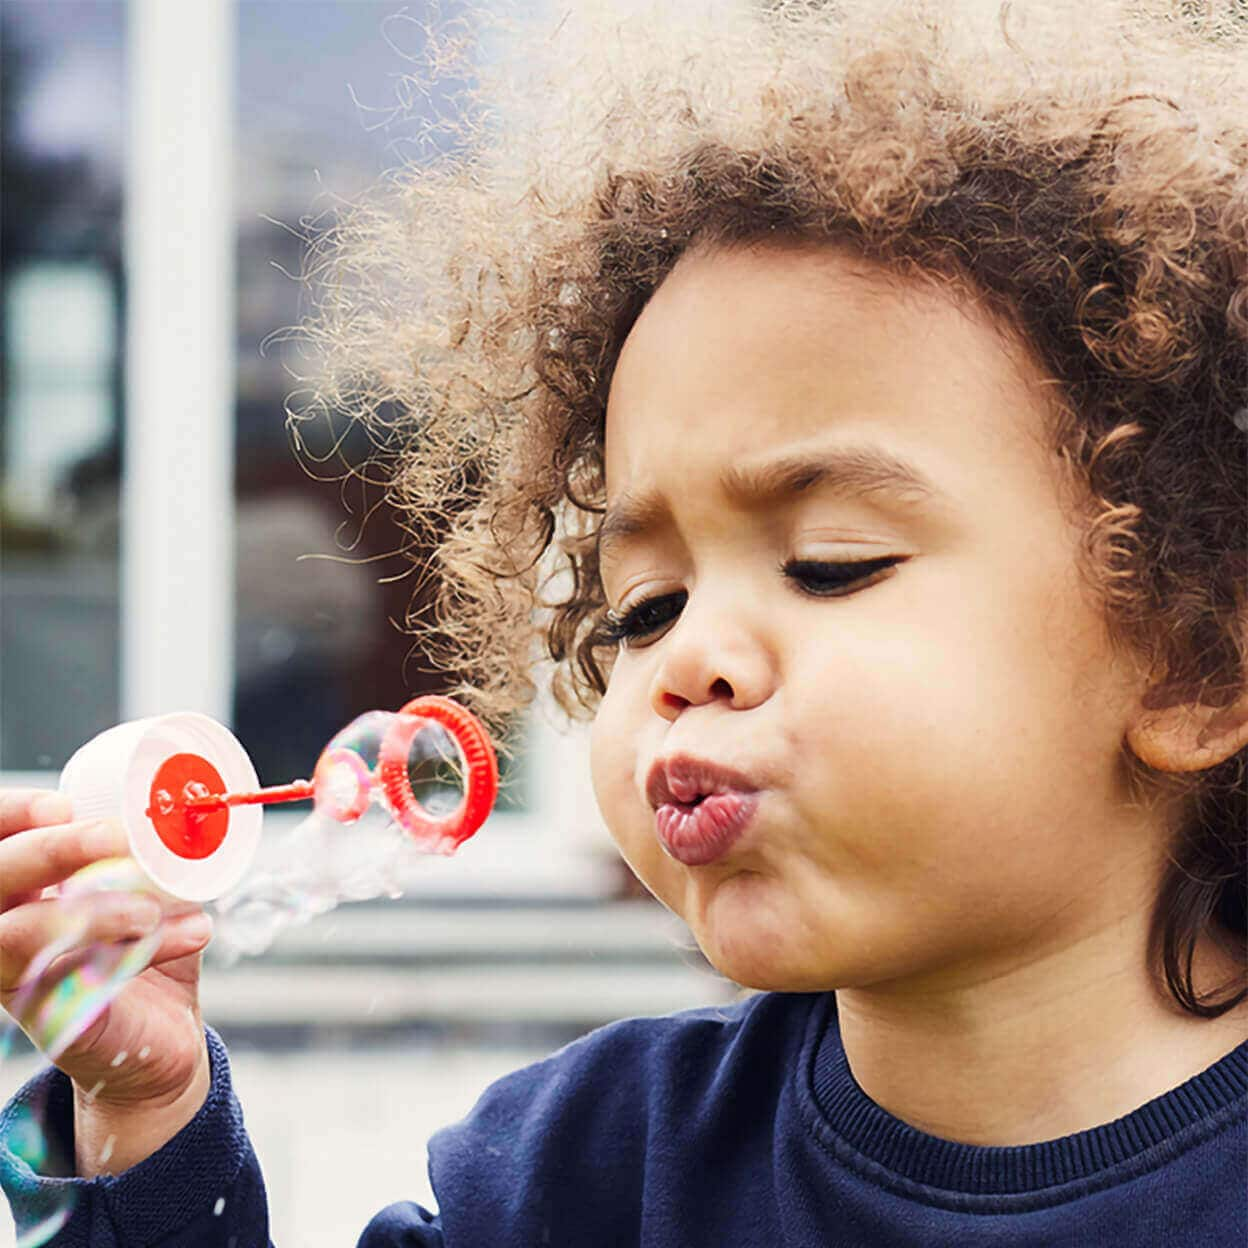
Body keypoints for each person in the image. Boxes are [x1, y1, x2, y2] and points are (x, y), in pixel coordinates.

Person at [2, 1, 1246, 1243]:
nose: (686, 658)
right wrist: (142, 1114)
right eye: (645, 604)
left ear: (1199, 658)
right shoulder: (582, 1174)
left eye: (830, 565)